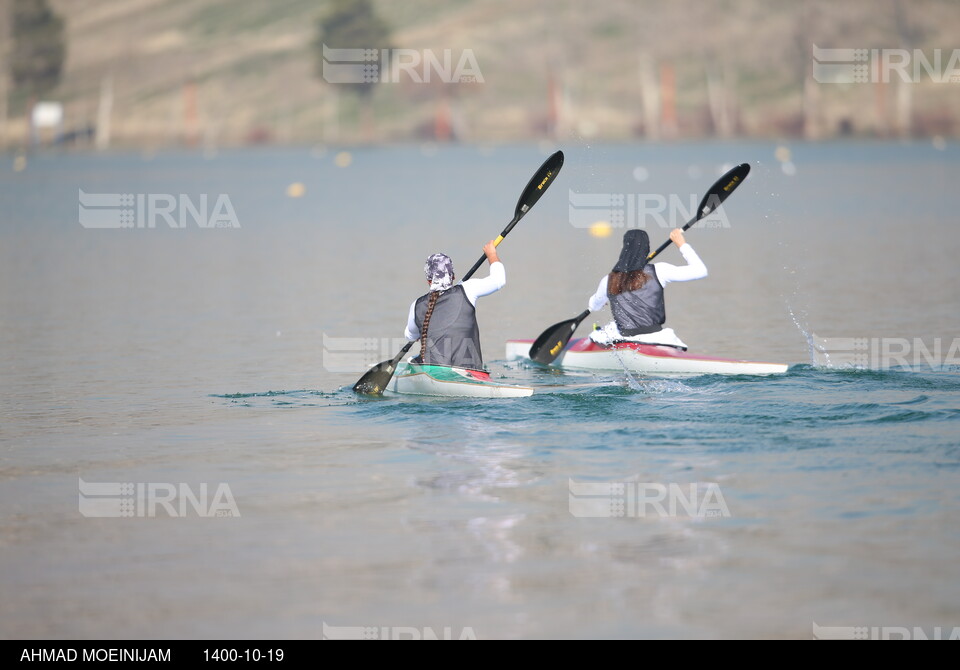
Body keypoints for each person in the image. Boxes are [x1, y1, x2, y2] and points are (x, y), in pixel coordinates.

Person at [586, 228, 707, 350]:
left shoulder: (609, 280)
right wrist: (681, 244)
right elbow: (701, 271)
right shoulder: (660, 270)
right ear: (646, 249)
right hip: (657, 337)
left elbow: (594, 306)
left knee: (601, 332)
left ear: (624, 249)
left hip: (625, 337)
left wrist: (601, 301)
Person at [404, 240, 504, 370]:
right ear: (453, 277)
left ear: (429, 281)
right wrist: (491, 254)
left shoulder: (417, 305)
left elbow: (409, 336)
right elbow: (499, 280)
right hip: (470, 372)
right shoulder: (468, 289)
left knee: (414, 359)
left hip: (433, 371)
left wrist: (418, 333)